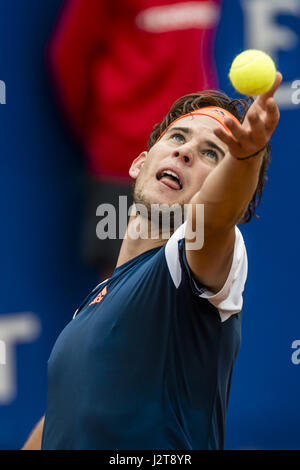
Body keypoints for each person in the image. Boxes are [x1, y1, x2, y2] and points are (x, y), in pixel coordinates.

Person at [22, 71, 282, 450]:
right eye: (178, 137)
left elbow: (216, 217)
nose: (185, 151)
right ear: (140, 163)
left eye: (212, 153)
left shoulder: (194, 262)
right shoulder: (90, 311)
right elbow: (62, 420)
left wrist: (245, 158)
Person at [46, 0, 222, 277]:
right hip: (123, 164)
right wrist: (109, 132)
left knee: (193, 292)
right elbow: (70, 56)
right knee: (120, 293)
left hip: (197, 165)